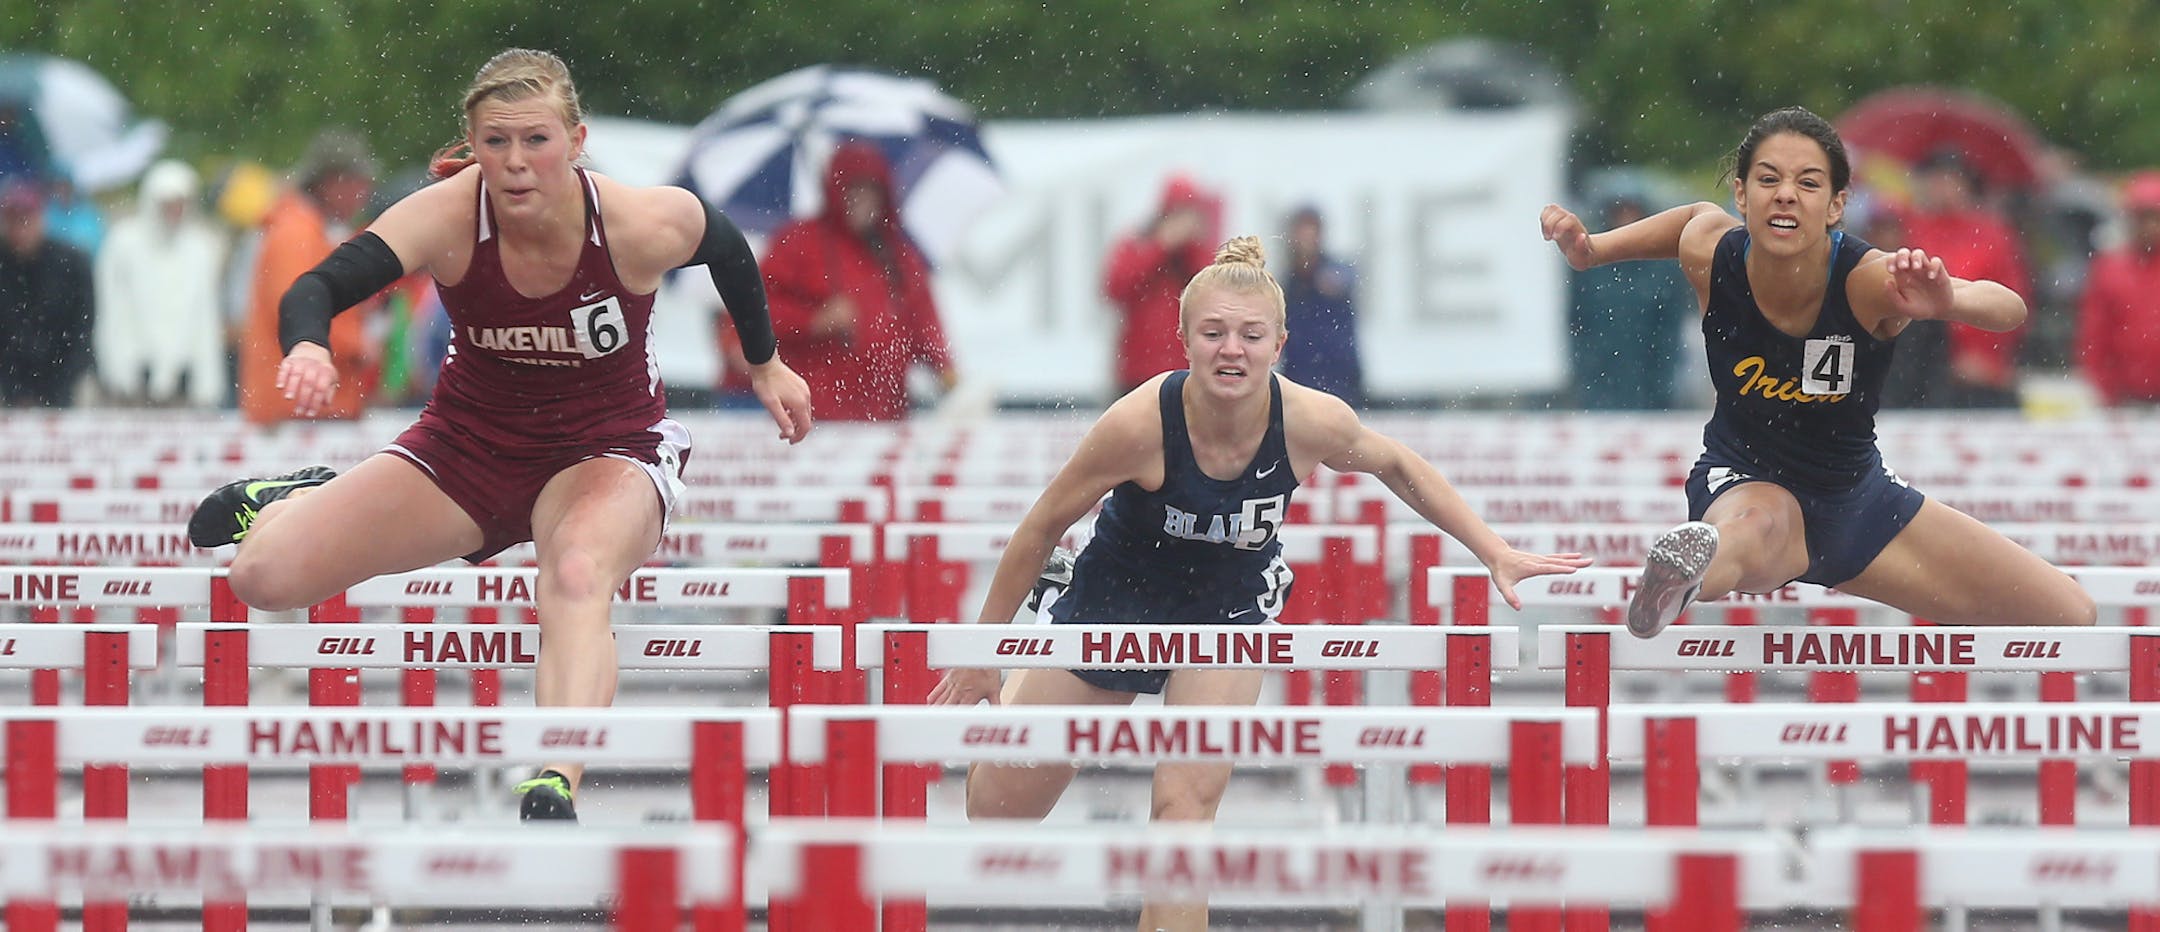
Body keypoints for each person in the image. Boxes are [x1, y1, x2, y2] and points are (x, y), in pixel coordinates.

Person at [185, 49, 813, 821]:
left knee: (578, 572)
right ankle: (300, 498)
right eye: (495, 143)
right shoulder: (448, 216)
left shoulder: (639, 221)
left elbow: (725, 247)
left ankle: (555, 772)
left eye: (536, 142)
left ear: (576, 142)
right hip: (469, 448)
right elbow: (319, 284)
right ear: (472, 146)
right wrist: (309, 344)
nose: (515, 166)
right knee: (262, 579)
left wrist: (766, 363)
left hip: (605, 451)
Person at [931, 235, 1588, 932]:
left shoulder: (1309, 419)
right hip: (1118, 593)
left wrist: (1493, 549)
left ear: (1279, 342)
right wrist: (983, 648)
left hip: (1227, 607)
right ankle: (1047, 626)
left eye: (1250, 335)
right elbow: (1039, 526)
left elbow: (1399, 466)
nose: (1231, 351)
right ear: (1184, 341)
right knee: (999, 810)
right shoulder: (1135, 424)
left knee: (1185, 806)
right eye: (1213, 334)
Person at [1538, 106, 2095, 639]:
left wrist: (1949, 298)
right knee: (1757, 526)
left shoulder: (1867, 279)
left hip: (1857, 498)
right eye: (1768, 179)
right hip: (1745, 478)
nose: (1786, 194)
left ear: (1835, 205)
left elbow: (2009, 308)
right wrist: (1592, 251)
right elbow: (1687, 220)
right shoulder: (1711, 251)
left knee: (2070, 614)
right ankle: (1688, 571)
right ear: (1741, 194)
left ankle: (1701, 563)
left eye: (1808, 183)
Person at [758, 139, 957, 420]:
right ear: (835, 191)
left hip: (887, 417)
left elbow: (923, 324)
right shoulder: (797, 243)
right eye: (853, 189)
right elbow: (755, 316)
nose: (861, 199)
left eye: (870, 189)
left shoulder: (900, 256)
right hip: (811, 420)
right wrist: (813, 321)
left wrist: (947, 373)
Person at [237, 129, 382, 424]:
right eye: (359, 184)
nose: (365, 193)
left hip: (306, 406)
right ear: (332, 184)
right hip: (298, 410)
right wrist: (358, 343)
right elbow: (295, 310)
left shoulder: (308, 230)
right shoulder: (296, 234)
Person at [1890, 148, 2035, 408]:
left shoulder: (1993, 233)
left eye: (1949, 180)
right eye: (1936, 180)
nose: (1942, 188)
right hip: (1917, 359)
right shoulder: (1910, 226)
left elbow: (2013, 297)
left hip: (1971, 366)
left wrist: (1989, 357)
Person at [94, 159, 229, 406]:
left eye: (181, 204)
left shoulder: (199, 249)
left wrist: (208, 379)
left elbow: (204, 315)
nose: (175, 212)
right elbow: (113, 309)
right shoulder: (124, 243)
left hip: (183, 376)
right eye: (169, 204)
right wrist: (117, 367)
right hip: (135, 374)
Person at [1568, 194, 1695, 410]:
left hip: (1650, 368)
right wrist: (1584, 365)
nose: (1626, 219)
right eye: (1619, 212)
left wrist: (1666, 372)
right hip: (1601, 369)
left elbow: (1671, 324)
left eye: (1632, 211)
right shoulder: (1589, 267)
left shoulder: (1664, 266)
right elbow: (1577, 319)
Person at [1102, 175, 1217, 393]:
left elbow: (1214, 292)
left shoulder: (1198, 252)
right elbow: (1115, 287)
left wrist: (1189, 247)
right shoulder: (1138, 244)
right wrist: (1161, 246)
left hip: (1187, 371)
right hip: (1138, 372)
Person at [0, 179, 95, 407]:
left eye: (26, 220)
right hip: (7, 382)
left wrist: (64, 380)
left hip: (62, 378)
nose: (20, 229)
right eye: (14, 220)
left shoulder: (72, 263)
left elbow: (83, 325)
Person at [2075, 171, 2160, 408]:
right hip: (2126, 398)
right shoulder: (2109, 268)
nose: (2151, 227)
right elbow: (2094, 332)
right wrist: (2104, 388)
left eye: (2156, 218)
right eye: (2143, 218)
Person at [1277, 205, 1365, 407]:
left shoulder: (1334, 271)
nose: (1305, 238)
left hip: (1338, 375)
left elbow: (1343, 281)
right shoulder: (1288, 280)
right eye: (1301, 231)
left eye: (1311, 230)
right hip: (1300, 374)